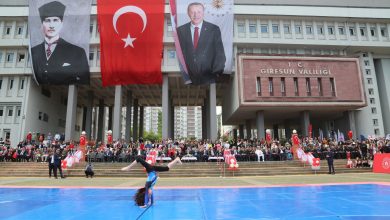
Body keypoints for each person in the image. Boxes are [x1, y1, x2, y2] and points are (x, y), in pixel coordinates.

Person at [31, 1, 90, 85]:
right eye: (47, 21)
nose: (51, 25)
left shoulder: (77, 52)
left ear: (61, 23)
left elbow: (83, 78)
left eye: (55, 20)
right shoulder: (34, 52)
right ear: (42, 24)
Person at [177, 2, 226, 85]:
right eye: (193, 12)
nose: (196, 15)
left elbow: (220, 54)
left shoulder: (213, 29)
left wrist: (216, 74)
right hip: (189, 79)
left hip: (209, 78)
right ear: (188, 13)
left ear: (203, 13)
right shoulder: (180, 30)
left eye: (199, 12)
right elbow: (180, 55)